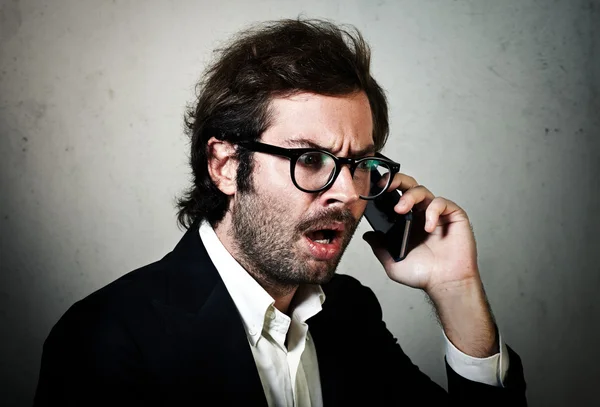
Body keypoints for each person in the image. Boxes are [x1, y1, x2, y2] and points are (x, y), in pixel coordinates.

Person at [34, 19, 527, 406]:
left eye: (360, 165)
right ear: (225, 166)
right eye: (310, 160)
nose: (348, 195)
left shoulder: (349, 313)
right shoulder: (105, 339)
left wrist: (455, 289)